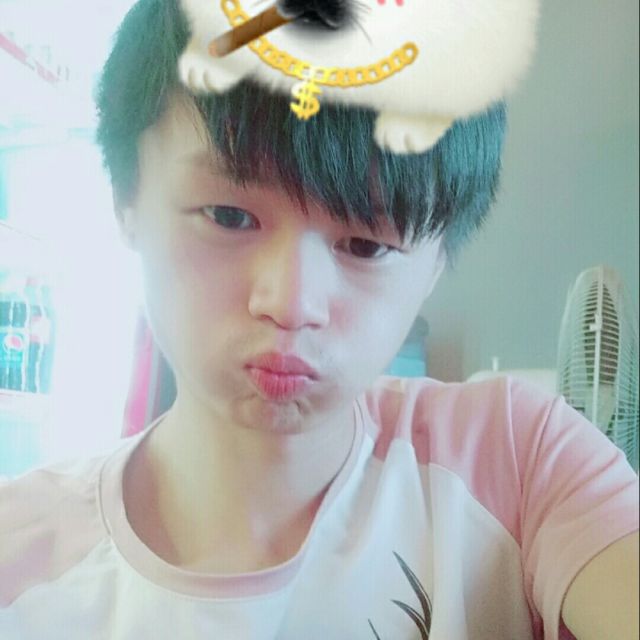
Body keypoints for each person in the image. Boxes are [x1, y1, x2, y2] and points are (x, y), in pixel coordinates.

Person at [0, 0, 638, 638]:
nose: (291, 304)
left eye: (365, 245)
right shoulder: (19, 561)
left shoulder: (522, 464)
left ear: (437, 261)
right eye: (229, 216)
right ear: (127, 201)